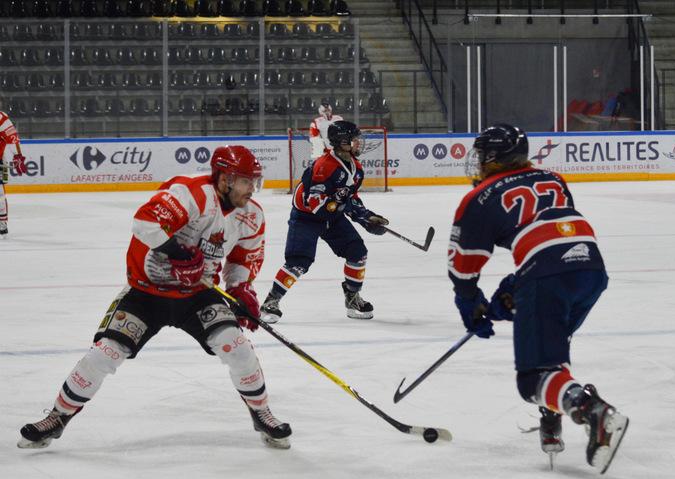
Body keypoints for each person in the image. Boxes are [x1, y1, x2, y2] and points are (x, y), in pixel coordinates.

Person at [18, 146, 293, 450]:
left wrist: (240, 289)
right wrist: (177, 252)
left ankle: (261, 413)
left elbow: (242, 258)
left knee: (238, 348)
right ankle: (57, 417)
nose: (252, 188)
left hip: (198, 295)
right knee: (104, 353)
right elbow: (145, 222)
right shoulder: (191, 194)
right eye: (245, 181)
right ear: (225, 179)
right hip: (146, 293)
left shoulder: (251, 215)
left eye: (255, 181)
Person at [448, 123, 629, 474]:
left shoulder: (480, 197)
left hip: (547, 273)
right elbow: (551, 232)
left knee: (531, 379)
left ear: (494, 158)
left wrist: (469, 302)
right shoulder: (553, 179)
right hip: (591, 268)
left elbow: (463, 264)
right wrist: (516, 286)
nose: (478, 162)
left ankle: (591, 410)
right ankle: (552, 415)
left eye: (482, 155)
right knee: (553, 347)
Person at [261, 121, 388, 322]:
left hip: (332, 216)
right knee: (298, 262)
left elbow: (350, 198)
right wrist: (345, 207)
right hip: (306, 217)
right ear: (342, 142)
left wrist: (367, 217)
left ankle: (352, 299)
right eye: (354, 139)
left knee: (357, 252)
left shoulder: (356, 168)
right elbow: (317, 205)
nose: (359, 143)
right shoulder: (324, 166)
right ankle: (271, 302)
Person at [0, 109, 27, 238]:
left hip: (0, 160)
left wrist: (18, 156)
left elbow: (13, 137)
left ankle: (2, 224)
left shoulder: (1, 117)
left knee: (0, 193)